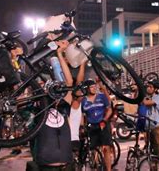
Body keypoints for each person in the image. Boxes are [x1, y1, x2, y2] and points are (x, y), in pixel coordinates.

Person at [32, 40, 74, 170]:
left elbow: (69, 82)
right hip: (46, 166)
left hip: (66, 164)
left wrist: (60, 54)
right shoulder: (40, 108)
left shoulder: (64, 106)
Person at [81, 79, 113, 171]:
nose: (94, 88)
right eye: (91, 87)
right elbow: (82, 115)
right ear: (87, 89)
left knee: (106, 148)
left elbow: (109, 109)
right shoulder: (83, 101)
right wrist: (82, 127)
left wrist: (105, 119)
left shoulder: (102, 97)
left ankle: (109, 169)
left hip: (103, 124)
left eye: (95, 86)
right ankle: (95, 166)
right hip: (92, 126)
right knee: (93, 149)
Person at [141, 79, 159, 164]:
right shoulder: (149, 97)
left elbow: (146, 103)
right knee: (150, 150)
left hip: (156, 127)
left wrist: (142, 96)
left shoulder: (157, 97)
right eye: (148, 86)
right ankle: (154, 167)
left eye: (150, 87)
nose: (148, 88)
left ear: (155, 89)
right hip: (148, 127)